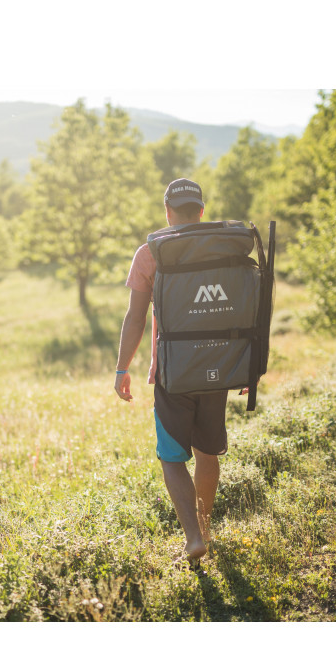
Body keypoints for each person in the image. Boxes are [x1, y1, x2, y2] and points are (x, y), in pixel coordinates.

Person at [114, 178, 233, 568]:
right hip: (217, 367)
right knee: (207, 452)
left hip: (172, 372)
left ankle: (193, 538)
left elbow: (135, 317)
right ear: (201, 211)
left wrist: (122, 368)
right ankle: (206, 528)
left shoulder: (150, 252)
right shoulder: (222, 246)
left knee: (171, 457)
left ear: (167, 212)